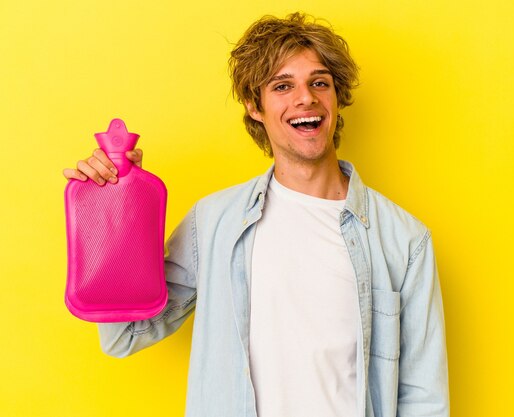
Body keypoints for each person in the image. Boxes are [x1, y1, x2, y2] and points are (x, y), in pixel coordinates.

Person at [63, 12, 449, 417]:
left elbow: (426, 400)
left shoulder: (404, 241)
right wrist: (118, 208)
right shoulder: (213, 224)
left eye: (320, 82)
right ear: (254, 106)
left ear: (336, 97)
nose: (306, 98)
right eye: (283, 86)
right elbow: (125, 334)